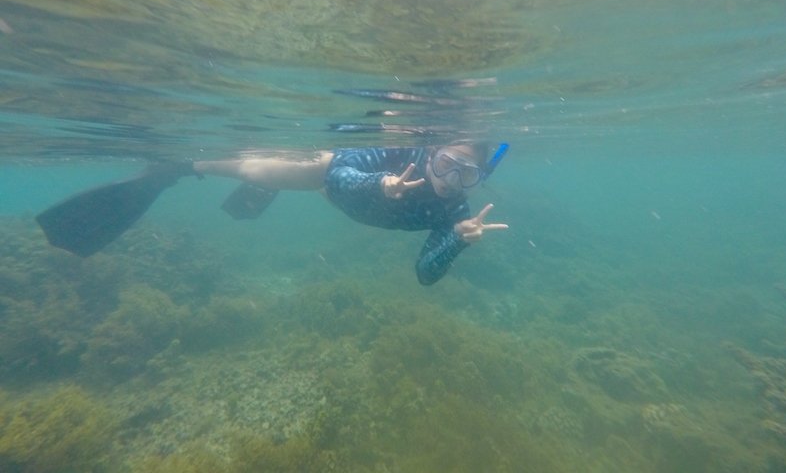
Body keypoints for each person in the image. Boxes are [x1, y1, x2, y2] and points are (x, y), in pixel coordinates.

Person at [36, 142, 509, 285]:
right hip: (330, 179)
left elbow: (425, 274)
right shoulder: (401, 151)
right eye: (447, 163)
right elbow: (341, 173)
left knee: (289, 180)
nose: (450, 179)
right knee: (275, 169)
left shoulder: (458, 213)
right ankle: (183, 165)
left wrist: (455, 242)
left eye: (466, 175)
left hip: (345, 206)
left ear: (477, 181)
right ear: (433, 153)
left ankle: (266, 184)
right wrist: (379, 184)